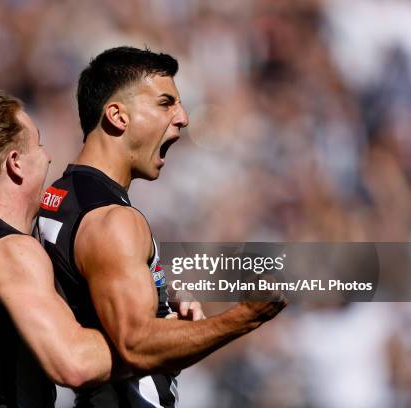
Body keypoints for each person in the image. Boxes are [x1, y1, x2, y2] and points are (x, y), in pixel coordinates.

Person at [37, 46, 287, 407]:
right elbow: (135, 344)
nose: (183, 117)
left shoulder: (61, 197)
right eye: (165, 103)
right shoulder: (113, 220)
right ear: (117, 115)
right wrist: (243, 317)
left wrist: (163, 312)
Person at [0, 91, 124, 408]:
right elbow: (74, 365)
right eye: (39, 144)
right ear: (15, 163)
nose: (49, 157)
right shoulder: (11, 251)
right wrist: (151, 334)